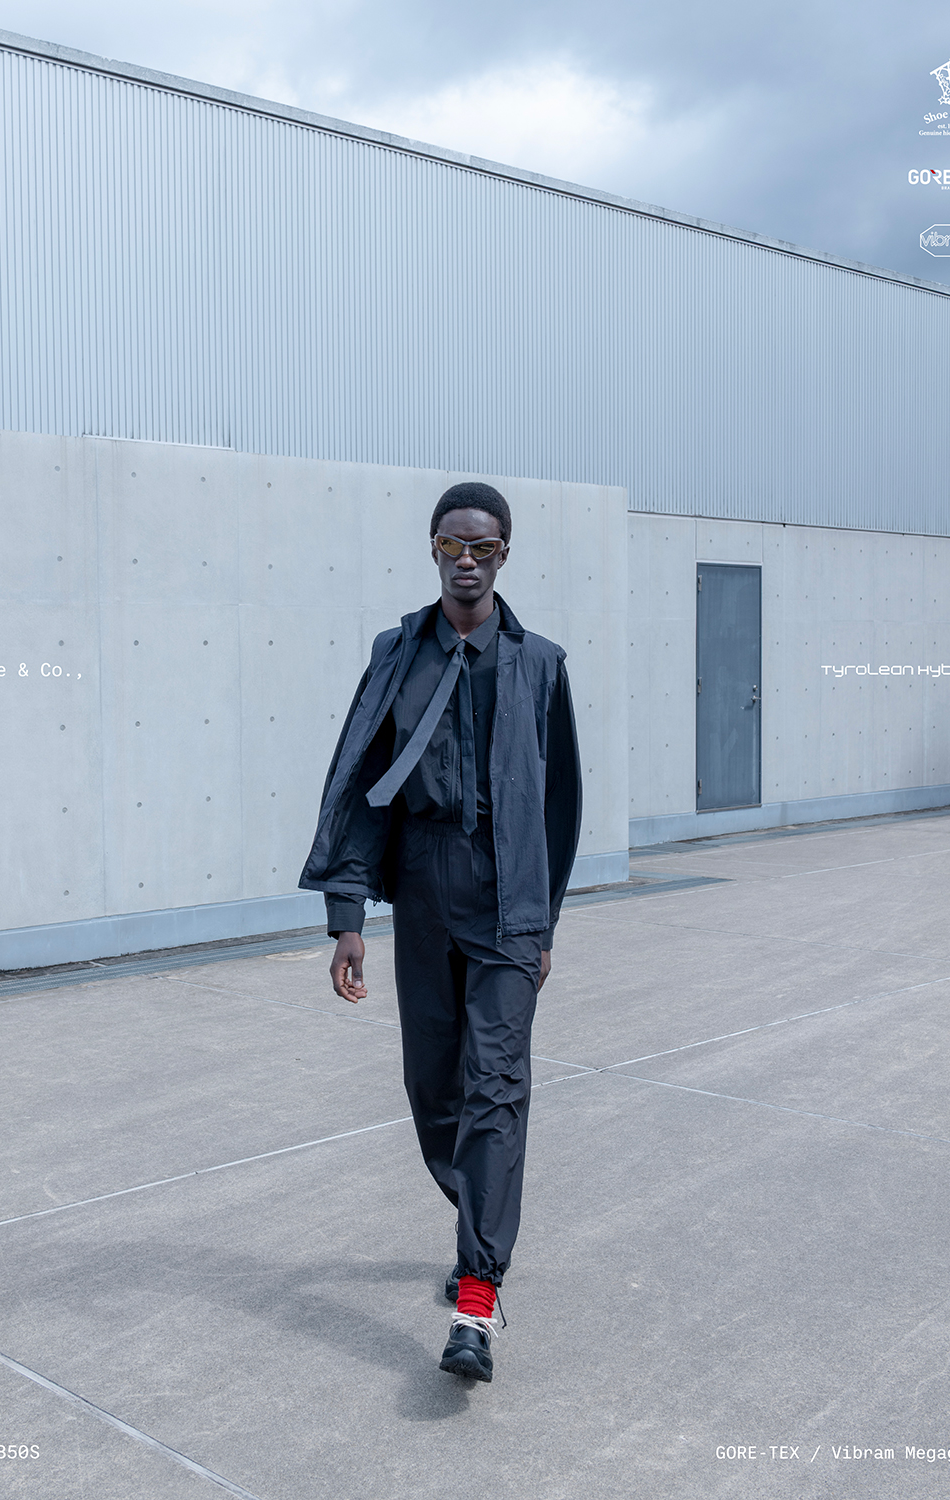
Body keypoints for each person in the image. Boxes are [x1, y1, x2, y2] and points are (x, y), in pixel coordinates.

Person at [299, 481, 582, 1382]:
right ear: (432, 548)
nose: (468, 559)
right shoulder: (398, 654)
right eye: (454, 545)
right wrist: (349, 918)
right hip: (422, 890)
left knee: (495, 1087)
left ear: (505, 555)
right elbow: (359, 778)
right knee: (435, 1091)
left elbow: (562, 802)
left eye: (484, 546)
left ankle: (477, 1294)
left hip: (508, 901)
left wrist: (543, 920)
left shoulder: (540, 664)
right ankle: (481, 1212)